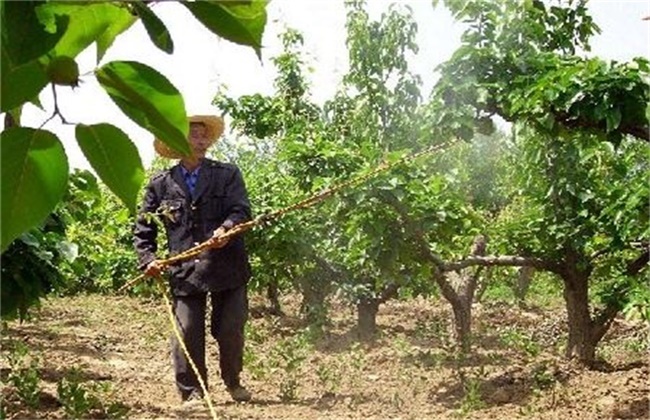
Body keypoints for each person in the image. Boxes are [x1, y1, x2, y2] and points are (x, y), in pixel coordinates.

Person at [133, 115, 253, 403]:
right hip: (185, 268)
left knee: (231, 328)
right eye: (193, 136)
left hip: (227, 265)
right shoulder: (160, 184)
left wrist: (226, 229)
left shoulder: (227, 174)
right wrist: (148, 257)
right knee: (186, 331)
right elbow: (143, 225)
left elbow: (241, 210)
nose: (200, 141)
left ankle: (233, 381)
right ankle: (192, 392)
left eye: (203, 136)